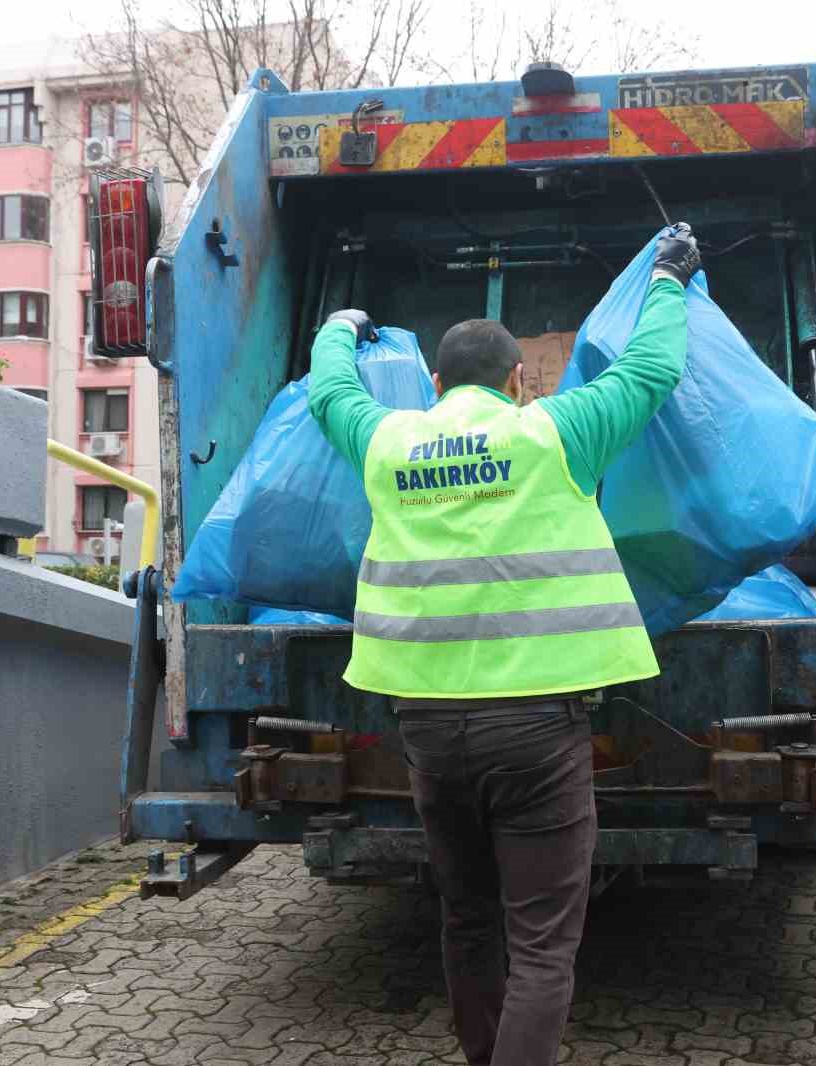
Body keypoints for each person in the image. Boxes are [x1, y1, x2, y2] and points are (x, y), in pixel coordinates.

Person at [306, 224, 700, 1066]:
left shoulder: (387, 441)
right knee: (543, 946)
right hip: (534, 733)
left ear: (436, 383)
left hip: (427, 733)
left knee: (467, 917)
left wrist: (340, 327)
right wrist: (667, 279)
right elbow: (652, 371)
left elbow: (328, 392)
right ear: (520, 381)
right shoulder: (553, 431)